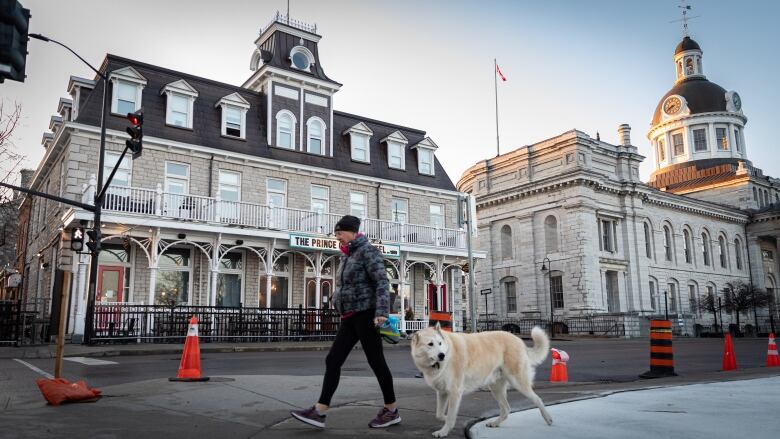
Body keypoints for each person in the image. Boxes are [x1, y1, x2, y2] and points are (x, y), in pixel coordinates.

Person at [291, 215, 400, 429]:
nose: (337, 236)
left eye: (340, 232)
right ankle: (319, 411)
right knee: (333, 360)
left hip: (367, 314)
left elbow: (381, 282)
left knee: (376, 362)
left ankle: (392, 409)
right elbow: (345, 286)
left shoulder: (368, 251)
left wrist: (381, 312)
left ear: (351, 231)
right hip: (350, 315)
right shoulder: (347, 255)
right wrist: (336, 300)